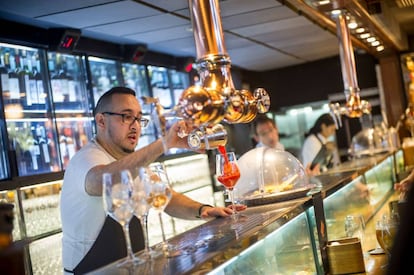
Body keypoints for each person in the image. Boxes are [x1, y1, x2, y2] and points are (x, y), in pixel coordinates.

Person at [60, 87, 244, 274]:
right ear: (101, 120)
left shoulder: (131, 164)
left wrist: (203, 209)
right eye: (126, 116)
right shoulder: (86, 159)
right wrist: (164, 143)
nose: (135, 126)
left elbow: (165, 198)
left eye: (139, 118)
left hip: (133, 268)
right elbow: (103, 181)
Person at [252, 114, 320, 176]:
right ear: (256, 138)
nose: (270, 136)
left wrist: (306, 176)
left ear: (276, 129)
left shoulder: (288, 152)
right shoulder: (255, 161)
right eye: (263, 133)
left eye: (271, 130)